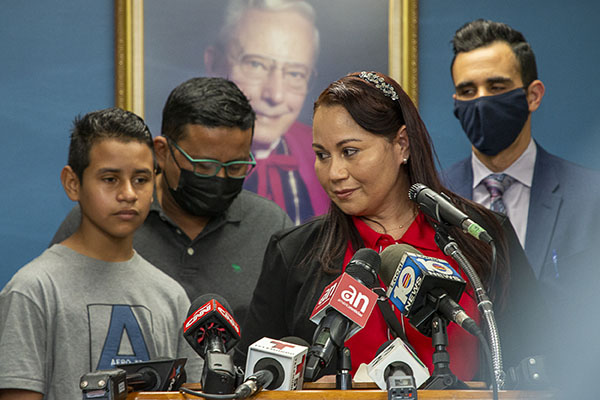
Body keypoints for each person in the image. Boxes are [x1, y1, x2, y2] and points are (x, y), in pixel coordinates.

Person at [237, 72, 549, 383]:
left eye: (349, 151)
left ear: (401, 144)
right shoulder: (293, 253)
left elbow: (542, 359)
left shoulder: (480, 235)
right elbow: (254, 378)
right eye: (322, 155)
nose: (334, 172)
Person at [51, 78, 293, 323]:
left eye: (236, 166)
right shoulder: (105, 219)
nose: (220, 177)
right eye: (204, 165)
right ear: (162, 152)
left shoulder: (271, 226)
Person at [0, 108, 202, 400]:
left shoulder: (171, 296)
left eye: (141, 179)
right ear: (73, 183)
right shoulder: (33, 289)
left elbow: (190, 394)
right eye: (110, 179)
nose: (128, 194)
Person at [442, 19, 600, 305]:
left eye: (496, 87)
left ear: (533, 95)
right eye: (468, 91)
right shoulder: (434, 197)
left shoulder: (591, 197)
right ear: (456, 102)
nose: (480, 102)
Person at [204, 0, 330, 224]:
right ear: (214, 64)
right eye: (256, 65)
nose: (276, 95)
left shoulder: (325, 155)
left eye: (295, 74)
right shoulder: (176, 161)